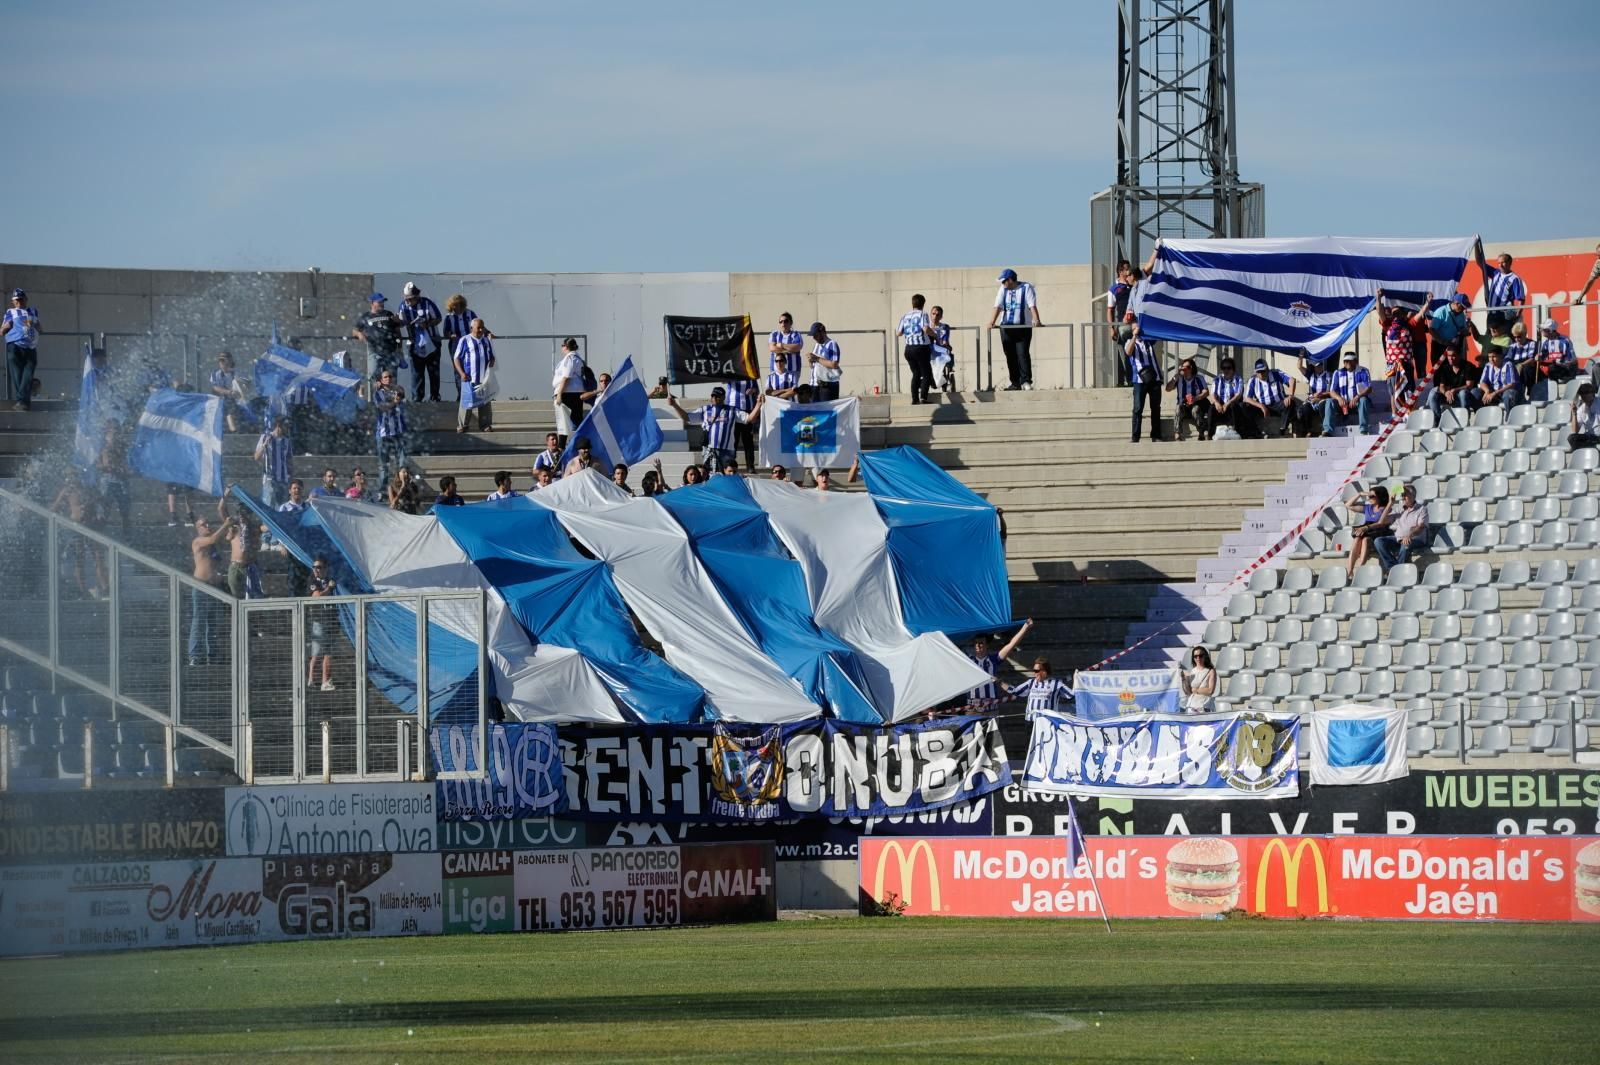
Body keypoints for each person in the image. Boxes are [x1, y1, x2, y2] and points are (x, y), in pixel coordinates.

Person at [666, 386, 762, 471]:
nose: (714, 398)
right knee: (710, 475)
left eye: (717, 396)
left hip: (727, 451)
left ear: (723, 397)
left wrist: (758, 404)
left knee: (727, 476)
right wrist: (674, 405)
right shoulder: (705, 409)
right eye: (713, 396)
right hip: (709, 450)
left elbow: (750, 418)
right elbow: (687, 417)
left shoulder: (732, 410)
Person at [187, 514, 233, 666]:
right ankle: (195, 655)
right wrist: (225, 524)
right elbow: (213, 538)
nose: (207, 526)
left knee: (213, 622)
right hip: (201, 586)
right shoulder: (198, 541)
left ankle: (213, 654)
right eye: (203, 524)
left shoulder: (213, 546)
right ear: (197, 528)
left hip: (215, 587)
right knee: (198, 621)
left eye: (208, 523)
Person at [51, 471, 105, 599]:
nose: (73, 478)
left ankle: (105, 588)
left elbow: (98, 505)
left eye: (75, 475)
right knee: (80, 559)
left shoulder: (89, 490)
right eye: (71, 476)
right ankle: (82, 591)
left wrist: (98, 515)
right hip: (76, 528)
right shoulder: (67, 491)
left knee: (98, 557)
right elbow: (54, 509)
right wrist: (65, 522)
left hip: (91, 527)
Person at [988, 268, 1040, 390]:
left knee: (1022, 354)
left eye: (1004, 281)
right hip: (1006, 328)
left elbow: (1032, 305)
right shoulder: (1003, 289)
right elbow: (998, 306)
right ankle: (1015, 382)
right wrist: (992, 322)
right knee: (1010, 356)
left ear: (1010, 280)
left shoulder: (1026, 287)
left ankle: (1026, 381)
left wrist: (1036, 319)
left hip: (1023, 327)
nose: (1002, 284)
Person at [966, 620, 1035, 708]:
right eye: (975, 643)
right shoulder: (968, 660)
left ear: (987, 645)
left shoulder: (994, 659)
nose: (977, 645)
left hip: (991, 708)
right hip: (973, 708)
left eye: (981, 643)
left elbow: (1011, 645)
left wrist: (1025, 627)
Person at [397, 282, 443, 403]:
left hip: (432, 341)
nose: (408, 301)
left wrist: (427, 324)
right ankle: (417, 398)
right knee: (416, 372)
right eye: (406, 298)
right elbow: (401, 323)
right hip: (414, 343)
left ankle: (434, 397)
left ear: (417, 296)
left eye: (411, 298)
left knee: (433, 371)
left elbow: (438, 318)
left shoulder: (427, 303)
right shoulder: (403, 306)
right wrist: (399, 321)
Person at [1374, 290, 1421, 403]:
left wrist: (1427, 303)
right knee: (1393, 392)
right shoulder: (1387, 325)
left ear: (1403, 315)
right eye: (1394, 313)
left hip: (1406, 364)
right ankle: (1394, 413)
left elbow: (1419, 314)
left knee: (1409, 390)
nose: (1396, 316)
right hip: (1392, 365)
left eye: (1398, 313)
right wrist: (1378, 297)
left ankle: (1410, 411)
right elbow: (1379, 311)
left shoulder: (1408, 325)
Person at [1373, 484, 1429, 572]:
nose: (1402, 497)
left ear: (1413, 496)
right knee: (1378, 541)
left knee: (1405, 545)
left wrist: (1410, 535)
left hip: (1416, 539)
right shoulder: (1400, 509)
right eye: (1402, 495)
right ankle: (1393, 568)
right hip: (1398, 538)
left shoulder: (1422, 509)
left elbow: (1421, 526)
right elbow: (1382, 522)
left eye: (1405, 495)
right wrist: (1390, 504)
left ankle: (1397, 571)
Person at [1124, 317, 1163, 443]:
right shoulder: (1130, 341)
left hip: (1155, 378)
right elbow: (1128, 352)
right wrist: (1135, 336)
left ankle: (1156, 435)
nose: (1138, 330)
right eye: (1135, 328)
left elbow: (1158, 333)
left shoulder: (1148, 340)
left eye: (1139, 328)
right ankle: (1135, 436)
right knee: (1138, 408)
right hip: (1139, 380)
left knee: (1155, 407)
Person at [454, 318, 495, 433]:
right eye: (478, 328)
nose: (481, 330)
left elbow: (491, 356)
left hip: (484, 379)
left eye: (482, 327)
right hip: (469, 378)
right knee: (467, 402)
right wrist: (462, 373)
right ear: (472, 328)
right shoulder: (464, 340)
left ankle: (485, 425)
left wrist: (492, 361)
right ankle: (462, 425)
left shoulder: (486, 341)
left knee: (485, 403)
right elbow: (456, 358)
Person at [1475, 245, 1527, 334]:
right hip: (1491, 313)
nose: (1500, 265)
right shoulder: (1495, 273)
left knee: (1504, 338)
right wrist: (1476, 245)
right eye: (1499, 263)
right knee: (1491, 338)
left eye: (1503, 262)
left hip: (1504, 315)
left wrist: (1516, 315)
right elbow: (1480, 262)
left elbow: (1521, 299)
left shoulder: (1515, 279)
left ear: (1509, 263)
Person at [351, 293, 403, 380]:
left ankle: (391, 389)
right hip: (374, 352)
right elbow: (354, 331)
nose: (382, 304)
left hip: (391, 352)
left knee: (391, 378)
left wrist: (400, 349)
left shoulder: (389, 314)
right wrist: (359, 334)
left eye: (383, 302)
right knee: (373, 377)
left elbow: (397, 331)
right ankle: (374, 389)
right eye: (379, 302)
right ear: (372, 303)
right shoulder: (366, 316)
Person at [372, 368, 409, 490]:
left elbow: (402, 391)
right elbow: (382, 407)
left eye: (390, 377)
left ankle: (401, 486)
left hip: (398, 432)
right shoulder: (377, 393)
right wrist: (394, 402)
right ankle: (382, 489)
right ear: (381, 380)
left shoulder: (396, 390)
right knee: (384, 465)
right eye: (385, 377)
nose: (388, 379)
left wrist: (394, 394)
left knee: (401, 462)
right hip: (383, 433)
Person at [4, 289, 40, 411]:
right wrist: (5, 328)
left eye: (21, 299)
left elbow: (37, 325)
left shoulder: (32, 311)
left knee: (27, 373)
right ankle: (23, 402)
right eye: (17, 300)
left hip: (30, 346)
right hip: (14, 345)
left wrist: (38, 329)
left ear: (26, 300)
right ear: (13, 302)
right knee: (17, 374)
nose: (19, 302)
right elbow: (4, 327)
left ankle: (23, 399)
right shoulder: (10, 312)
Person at [1345, 485, 1391, 577]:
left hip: (1378, 532)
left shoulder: (1386, 509)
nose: (1369, 498)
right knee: (1357, 539)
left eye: (1372, 496)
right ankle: (1350, 570)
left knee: (1365, 540)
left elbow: (1381, 523)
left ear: (1380, 496)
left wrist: (1366, 527)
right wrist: (1359, 494)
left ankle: (1360, 569)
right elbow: (1348, 505)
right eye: (1369, 495)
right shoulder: (1368, 508)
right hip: (1366, 531)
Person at [1426, 345, 1480, 423]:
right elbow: (1441, 386)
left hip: (1465, 396)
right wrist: (1445, 393)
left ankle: (1464, 420)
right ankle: (1437, 421)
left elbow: (1469, 385)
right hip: (1449, 396)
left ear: (1459, 355)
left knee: (1463, 393)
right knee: (1433, 393)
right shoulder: (1445, 368)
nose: (1450, 358)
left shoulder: (1468, 366)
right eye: (1449, 356)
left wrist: (1455, 390)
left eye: (1453, 355)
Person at [1240, 359, 1292, 439]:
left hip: (1278, 405)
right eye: (1258, 372)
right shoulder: (1253, 380)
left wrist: (1290, 396)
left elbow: (1292, 380)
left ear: (1267, 369)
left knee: (1290, 403)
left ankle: (1283, 429)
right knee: (1244, 406)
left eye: (1263, 371)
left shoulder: (1276, 373)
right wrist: (1261, 406)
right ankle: (1255, 431)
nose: (1261, 374)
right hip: (1262, 407)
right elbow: (1247, 398)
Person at [898, 294, 936, 405]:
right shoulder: (923, 314)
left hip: (908, 348)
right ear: (923, 304)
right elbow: (926, 329)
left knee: (916, 373)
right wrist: (935, 335)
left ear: (912, 303)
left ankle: (915, 399)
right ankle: (923, 398)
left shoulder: (905, 316)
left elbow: (898, 333)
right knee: (927, 373)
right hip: (921, 347)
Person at [1324, 352, 1373, 435]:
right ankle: (1328, 430)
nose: (1347, 363)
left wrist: (1357, 397)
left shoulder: (1363, 371)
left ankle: (1364, 429)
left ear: (1355, 361)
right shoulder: (1338, 372)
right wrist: (1339, 398)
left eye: (1350, 360)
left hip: (1357, 402)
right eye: (1345, 361)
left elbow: (1369, 388)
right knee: (1329, 401)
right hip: (1343, 404)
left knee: (1363, 400)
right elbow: (1332, 391)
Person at [1007, 658, 1073, 719]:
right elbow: (1015, 691)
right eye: (1034, 670)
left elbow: (1072, 695)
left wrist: (1076, 679)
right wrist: (1001, 683)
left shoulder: (1056, 684)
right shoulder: (1031, 682)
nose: (1034, 673)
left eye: (1036, 671)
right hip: (1031, 721)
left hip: (1048, 722)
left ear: (1044, 671)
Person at [306, 557, 336, 692]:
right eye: (314, 567)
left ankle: (324, 681)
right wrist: (329, 588)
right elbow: (317, 597)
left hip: (330, 618)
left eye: (319, 567)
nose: (316, 570)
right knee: (317, 651)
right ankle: (312, 679)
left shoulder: (329, 579)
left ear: (325, 569)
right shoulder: (312, 581)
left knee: (327, 651)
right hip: (318, 619)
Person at [1165, 358, 1210, 442]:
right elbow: (1168, 389)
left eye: (1187, 367)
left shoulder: (1199, 378)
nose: (1184, 369)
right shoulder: (1179, 379)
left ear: (1191, 368)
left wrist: (1195, 398)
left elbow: (1206, 392)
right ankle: (1177, 435)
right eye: (1182, 367)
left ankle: (1202, 432)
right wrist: (1175, 377)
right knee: (1178, 408)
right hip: (1183, 407)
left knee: (1195, 409)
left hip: (1196, 405)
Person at [441, 294, 475, 401]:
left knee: (472, 367)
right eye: (455, 305)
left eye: (459, 304)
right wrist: (451, 335)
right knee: (458, 370)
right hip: (456, 345)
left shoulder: (470, 313)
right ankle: (461, 394)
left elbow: (479, 325)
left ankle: (473, 393)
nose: (457, 307)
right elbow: (445, 332)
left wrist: (488, 333)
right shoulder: (449, 317)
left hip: (470, 344)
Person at [1426, 292, 1473, 369]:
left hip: (1454, 347)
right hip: (1440, 348)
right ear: (1457, 304)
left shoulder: (1461, 314)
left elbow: (1462, 328)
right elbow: (1432, 330)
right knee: (1439, 371)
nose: (1464, 309)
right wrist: (1443, 342)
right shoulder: (1441, 312)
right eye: (1463, 307)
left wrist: (1465, 332)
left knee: (1455, 371)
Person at [254, 417, 293, 507]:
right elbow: (256, 457)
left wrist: (291, 479)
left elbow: (290, 462)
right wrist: (264, 445)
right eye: (286, 426)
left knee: (282, 508)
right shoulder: (265, 437)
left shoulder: (287, 441)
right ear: (278, 425)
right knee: (269, 507)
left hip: (283, 480)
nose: (288, 429)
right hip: (269, 479)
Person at [724, 374, 760, 470]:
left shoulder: (751, 375)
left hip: (748, 410)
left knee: (748, 440)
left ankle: (750, 466)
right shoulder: (732, 372)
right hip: (733, 411)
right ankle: (730, 465)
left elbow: (757, 389)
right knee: (733, 440)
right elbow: (722, 380)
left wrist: (753, 390)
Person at [552, 337, 587, 435]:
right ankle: (575, 439)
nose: (561, 347)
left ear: (566, 346)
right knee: (573, 420)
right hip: (571, 392)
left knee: (567, 422)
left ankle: (573, 440)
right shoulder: (575, 358)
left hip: (568, 393)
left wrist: (559, 394)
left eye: (562, 345)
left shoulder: (570, 358)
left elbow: (566, 377)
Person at [1533, 318, 1579, 392]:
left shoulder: (1564, 341)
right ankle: (1536, 392)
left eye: (1543, 329)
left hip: (1566, 370)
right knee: (1532, 367)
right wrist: (1538, 357)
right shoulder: (1546, 343)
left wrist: (1557, 363)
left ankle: (1554, 392)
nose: (1541, 331)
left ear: (1550, 331)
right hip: (1553, 368)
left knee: (1552, 368)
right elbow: (1542, 355)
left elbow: (1572, 360)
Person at [1475, 344, 1522, 414]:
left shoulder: (1508, 365)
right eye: (1489, 357)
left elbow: (1511, 385)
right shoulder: (1488, 366)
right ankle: (1480, 415)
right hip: (1495, 394)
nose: (1491, 360)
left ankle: (1510, 417)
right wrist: (1487, 391)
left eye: (1494, 356)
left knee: (1508, 394)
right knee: (1475, 392)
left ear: (1501, 356)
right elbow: (1482, 382)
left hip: (1509, 393)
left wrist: (1495, 393)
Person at [1300, 355, 1337, 438]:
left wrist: (1320, 395)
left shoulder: (1330, 375)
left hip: (1324, 399)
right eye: (1317, 366)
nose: (1319, 367)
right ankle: (1308, 431)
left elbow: (1332, 391)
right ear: (1314, 367)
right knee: (1305, 408)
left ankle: (1325, 429)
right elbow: (1299, 367)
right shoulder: (1311, 375)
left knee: (1323, 405)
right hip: (1312, 400)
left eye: (1320, 365)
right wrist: (1301, 356)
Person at [1207, 357, 1244, 436]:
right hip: (1220, 404)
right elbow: (1212, 393)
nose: (1226, 370)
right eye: (1224, 368)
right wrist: (1216, 403)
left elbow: (1238, 394)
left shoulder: (1238, 379)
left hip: (1233, 404)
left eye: (1229, 368)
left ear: (1233, 369)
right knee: (1211, 408)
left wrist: (1227, 404)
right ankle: (1210, 433)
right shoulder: (1217, 379)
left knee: (1233, 406)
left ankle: (1236, 431)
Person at [806, 323, 842, 401]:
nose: (814, 337)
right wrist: (810, 360)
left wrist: (816, 358)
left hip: (827, 385)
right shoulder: (817, 345)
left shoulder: (832, 344)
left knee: (827, 408)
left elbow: (834, 364)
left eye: (815, 335)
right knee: (815, 408)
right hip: (815, 384)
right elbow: (813, 366)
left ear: (822, 332)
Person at [209, 352, 244, 432]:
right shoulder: (215, 373)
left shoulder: (236, 373)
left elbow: (243, 385)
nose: (222, 363)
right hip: (220, 399)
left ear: (230, 361)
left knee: (231, 407)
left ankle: (233, 430)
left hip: (235, 399)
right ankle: (233, 429)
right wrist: (229, 392)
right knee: (228, 407)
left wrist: (239, 390)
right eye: (220, 361)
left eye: (224, 361)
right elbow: (215, 388)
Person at [1180, 646, 1217, 713]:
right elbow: (1188, 692)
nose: (1198, 658)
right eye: (1195, 656)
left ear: (1205, 656)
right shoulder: (1192, 671)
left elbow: (1210, 691)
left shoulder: (1211, 671)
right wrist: (1184, 680)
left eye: (1201, 656)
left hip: (1204, 705)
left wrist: (1195, 690)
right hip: (1192, 705)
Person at [929, 305, 956, 392]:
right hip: (928, 351)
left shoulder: (944, 327)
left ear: (941, 317)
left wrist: (945, 344)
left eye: (937, 315)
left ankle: (942, 380)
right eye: (933, 314)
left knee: (943, 355)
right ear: (930, 314)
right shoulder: (926, 327)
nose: (935, 317)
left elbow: (945, 341)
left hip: (940, 350)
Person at [1570, 382, 1600, 451]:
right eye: (1582, 394)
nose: (1584, 396)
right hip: (1591, 436)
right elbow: (1575, 431)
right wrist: (1574, 413)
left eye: (1586, 393)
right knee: (1572, 438)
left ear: (1592, 393)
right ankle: (1588, 451)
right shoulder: (1581, 409)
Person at [1575, 241, 1600, 305]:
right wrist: (1580, 297)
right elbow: (1590, 281)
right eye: (1597, 255)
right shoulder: (1598, 263)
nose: (1598, 258)